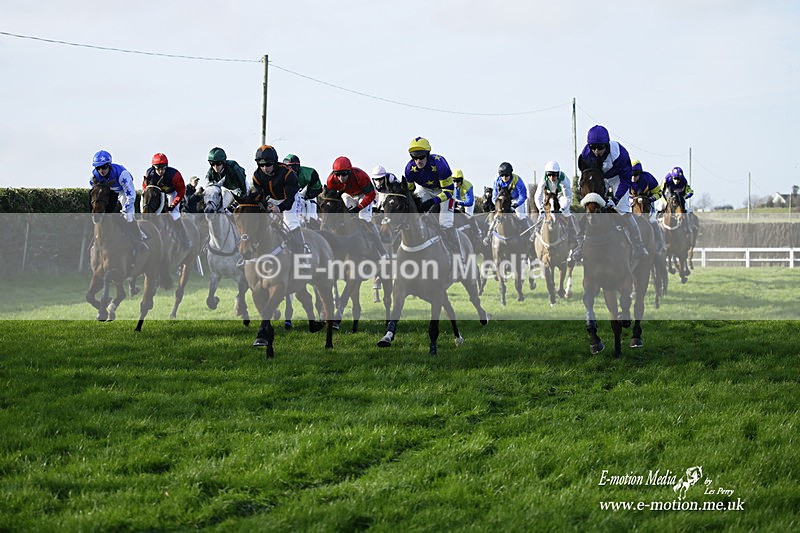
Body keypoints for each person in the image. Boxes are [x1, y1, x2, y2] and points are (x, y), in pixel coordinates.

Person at [575, 124, 649, 262]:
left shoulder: (620, 154)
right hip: (599, 179)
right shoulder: (585, 155)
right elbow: (586, 177)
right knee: (592, 209)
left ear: (607, 145)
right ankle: (579, 245)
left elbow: (626, 180)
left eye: (600, 147)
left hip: (618, 180)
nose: (596, 151)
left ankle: (638, 244)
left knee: (622, 210)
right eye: (593, 148)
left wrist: (615, 199)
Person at [403, 136, 462, 258]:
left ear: (428, 154)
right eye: (414, 157)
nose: (418, 161)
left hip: (446, 190)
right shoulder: (409, 169)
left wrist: (433, 201)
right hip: (426, 190)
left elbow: (448, 191)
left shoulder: (440, 164)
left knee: (445, 222)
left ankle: (457, 252)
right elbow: (410, 190)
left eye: (421, 157)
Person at [249, 145, 308, 257]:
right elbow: (259, 196)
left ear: (274, 162)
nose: (265, 168)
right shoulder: (257, 176)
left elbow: (289, 199)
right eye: (261, 165)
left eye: (268, 164)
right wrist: (263, 205)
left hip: (291, 198)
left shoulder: (287, 173)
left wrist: (279, 208)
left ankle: (301, 254)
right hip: (272, 199)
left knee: (291, 223)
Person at [326, 157, 387, 259]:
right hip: (347, 195)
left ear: (349, 172)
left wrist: (358, 208)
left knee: (364, 219)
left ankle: (381, 250)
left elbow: (371, 195)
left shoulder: (360, 176)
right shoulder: (331, 180)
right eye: (338, 174)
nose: (341, 178)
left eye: (344, 174)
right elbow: (332, 197)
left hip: (364, 195)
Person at [89, 149, 145, 252]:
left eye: (104, 167)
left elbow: (131, 195)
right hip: (109, 192)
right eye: (98, 168)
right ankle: (95, 241)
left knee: (127, 216)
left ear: (109, 165)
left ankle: (139, 240)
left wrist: (125, 208)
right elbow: (94, 194)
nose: (101, 170)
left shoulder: (122, 174)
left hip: (124, 192)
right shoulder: (93, 176)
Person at [142, 153, 192, 248]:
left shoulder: (175, 175)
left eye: (163, 168)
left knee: (174, 213)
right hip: (158, 192)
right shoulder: (149, 173)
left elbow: (181, 191)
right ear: (153, 167)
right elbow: (145, 187)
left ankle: (184, 238)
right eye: (158, 168)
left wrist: (174, 204)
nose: (161, 171)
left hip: (173, 193)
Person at [484, 162, 532, 244]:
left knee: (521, 216)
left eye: (506, 175)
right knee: (496, 216)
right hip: (502, 201)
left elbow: (523, 195)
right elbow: (494, 196)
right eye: (502, 175)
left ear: (510, 173)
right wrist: (498, 206)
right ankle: (488, 235)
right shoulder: (497, 180)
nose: (504, 177)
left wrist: (516, 204)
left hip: (515, 200)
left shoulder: (517, 180)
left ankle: (528, 236)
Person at [533, 161, 578, 244]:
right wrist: (540, 209)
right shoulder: (543, 179)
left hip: (561, 195)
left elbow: (568, 196)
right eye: (549, 174)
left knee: (566, 212)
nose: (551, 177)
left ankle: (573, 234)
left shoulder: (563, 179)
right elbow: (537, 196)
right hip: (549, 194)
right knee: (543, 213)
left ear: (558, 173)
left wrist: (563, 208)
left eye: (554, 175)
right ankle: (535, 233)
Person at [629, 159, 666, 254]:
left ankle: (659, 245)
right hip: (631, 202)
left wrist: (652, 199)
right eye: (631, 174)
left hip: (647, 203)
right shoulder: (626, 178)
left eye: (636, 174)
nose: (633, 177)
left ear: (640, 173)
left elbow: (659, 193)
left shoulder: (648, 178)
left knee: (653, 220)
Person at [283, 154, 322, 224]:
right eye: (288, 169)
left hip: (306, 194)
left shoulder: (309, 174)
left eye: (294, 168)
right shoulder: (280, 176)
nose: (291, 172)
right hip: (289, 195)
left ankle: (314, 223)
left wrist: (308, 195)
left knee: (312, 215)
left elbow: (317, 188)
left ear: (298, 167)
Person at [661, 166, 696, 238]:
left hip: (679, 197)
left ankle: (687, 226)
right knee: (659, 207)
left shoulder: (684, 181)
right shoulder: (667, 179)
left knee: (686, 209)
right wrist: (665, 202)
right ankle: (657, 223)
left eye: (678, 179)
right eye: (675, 179)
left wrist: (684, 197)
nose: (677, 181)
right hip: (668, 195)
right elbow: (660, 192)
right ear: (672, 177)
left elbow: (691, 192)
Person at [451, 169, 483, 240]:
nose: (456, 183)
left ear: (461, 180)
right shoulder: (450, 184)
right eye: (454, 181)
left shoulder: (467, 186)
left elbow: (469, 202)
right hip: (457, 200)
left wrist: (458, 203)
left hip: (467, 201)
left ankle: (477, 232)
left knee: (468, 216)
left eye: (458, 181)